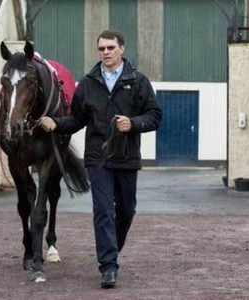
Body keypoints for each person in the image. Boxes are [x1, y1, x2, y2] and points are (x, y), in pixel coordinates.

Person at [39, 30, 162, 288]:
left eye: (110, 48)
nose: (105, 52)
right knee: (103, 210)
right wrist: (56, 124)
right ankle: (108, 266)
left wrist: (134, 123)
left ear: (122, 49)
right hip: (98, 159)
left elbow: (155, 116)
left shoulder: (138, 81)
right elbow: (77, 120)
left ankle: (112, 248)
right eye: (101, 48)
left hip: (127, 157)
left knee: (127, 210)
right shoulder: (88, 83)